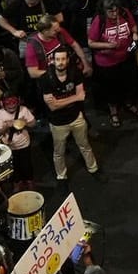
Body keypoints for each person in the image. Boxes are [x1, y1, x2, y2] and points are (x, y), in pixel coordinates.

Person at [39, 48, 99, 182]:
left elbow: (82, 96)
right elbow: (53, 107)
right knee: (59, 152)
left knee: (85, 145)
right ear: (52, 61)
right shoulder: (46, 79)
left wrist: (61, 101)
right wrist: (75, 98)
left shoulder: (75, 73)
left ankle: (93, 168)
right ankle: (61, 177)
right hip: (58, 122)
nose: (60, 62)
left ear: (67, 60)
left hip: (76, 117)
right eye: (58, 59)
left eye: (63, 59)